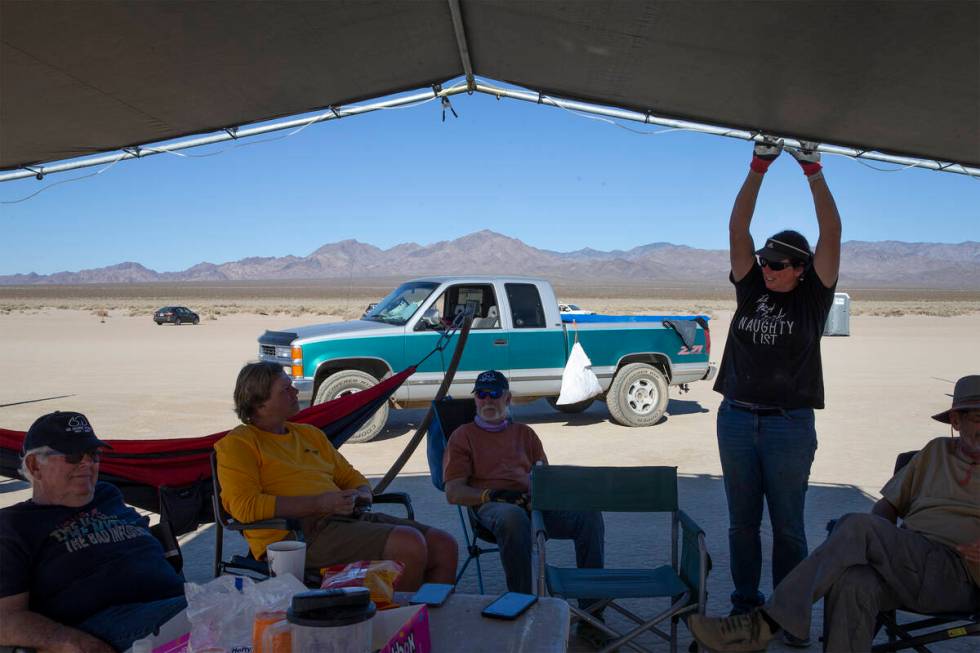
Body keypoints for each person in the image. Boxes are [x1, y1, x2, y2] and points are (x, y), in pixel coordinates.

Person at [690, 374, 980, 652]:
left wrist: (868, 537)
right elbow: (889, 505)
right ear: (956, 420)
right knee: (854, 581)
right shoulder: (935, 451)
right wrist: (879, 546)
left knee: (855, 527)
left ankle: (765, 625)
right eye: (978, 418)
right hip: (912, 563)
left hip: (962, 576)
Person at [711, 138, 842, 631]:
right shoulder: (750, 285)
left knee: (788, 529)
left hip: (789, 425)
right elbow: (737, 227)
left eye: (779, 265)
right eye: (764, 261)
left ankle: (788, 614)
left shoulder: (815, 298)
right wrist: (757, 168)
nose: (767, 269)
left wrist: (813, 172)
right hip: (737, 420)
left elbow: (832, 230)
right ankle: (745, 606)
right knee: (742, 525)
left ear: (803, 268)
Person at [216, 361, 457, 591]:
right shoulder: (239, 444)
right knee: (409, 545)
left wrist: (361, 494)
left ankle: (432, 621)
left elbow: (350, 477)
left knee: (444, 546)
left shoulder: (309, 434)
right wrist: (320, 503)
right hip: (296, 537)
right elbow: (243, 507)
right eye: (285, 389)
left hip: (344, 520)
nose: (294, 390)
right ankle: (401, 624)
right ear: (259, 404)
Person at [0, 411, 186, 653]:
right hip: (106, 628)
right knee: (227, 615)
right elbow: (4, 620)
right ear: (35, 466)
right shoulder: (14, 525)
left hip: (172, 607)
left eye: (93, 454)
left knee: (245, 600)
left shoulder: (107, 494)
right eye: (73, 455)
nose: (87, 463)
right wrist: (72, 642)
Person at [442, 370, 606, 643]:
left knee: (588, 515)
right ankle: (523, 607)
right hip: (489, 505)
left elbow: (546, 477)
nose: (488, 400)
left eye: (495, 394)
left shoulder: (526, 434)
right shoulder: (462, 436)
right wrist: (491, 495)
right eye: (481, 394)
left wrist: (540, 493)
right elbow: (453, 492)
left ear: (508, 398)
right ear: (475, 400)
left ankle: (593, 612)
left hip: (533, 502)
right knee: (513, 517)